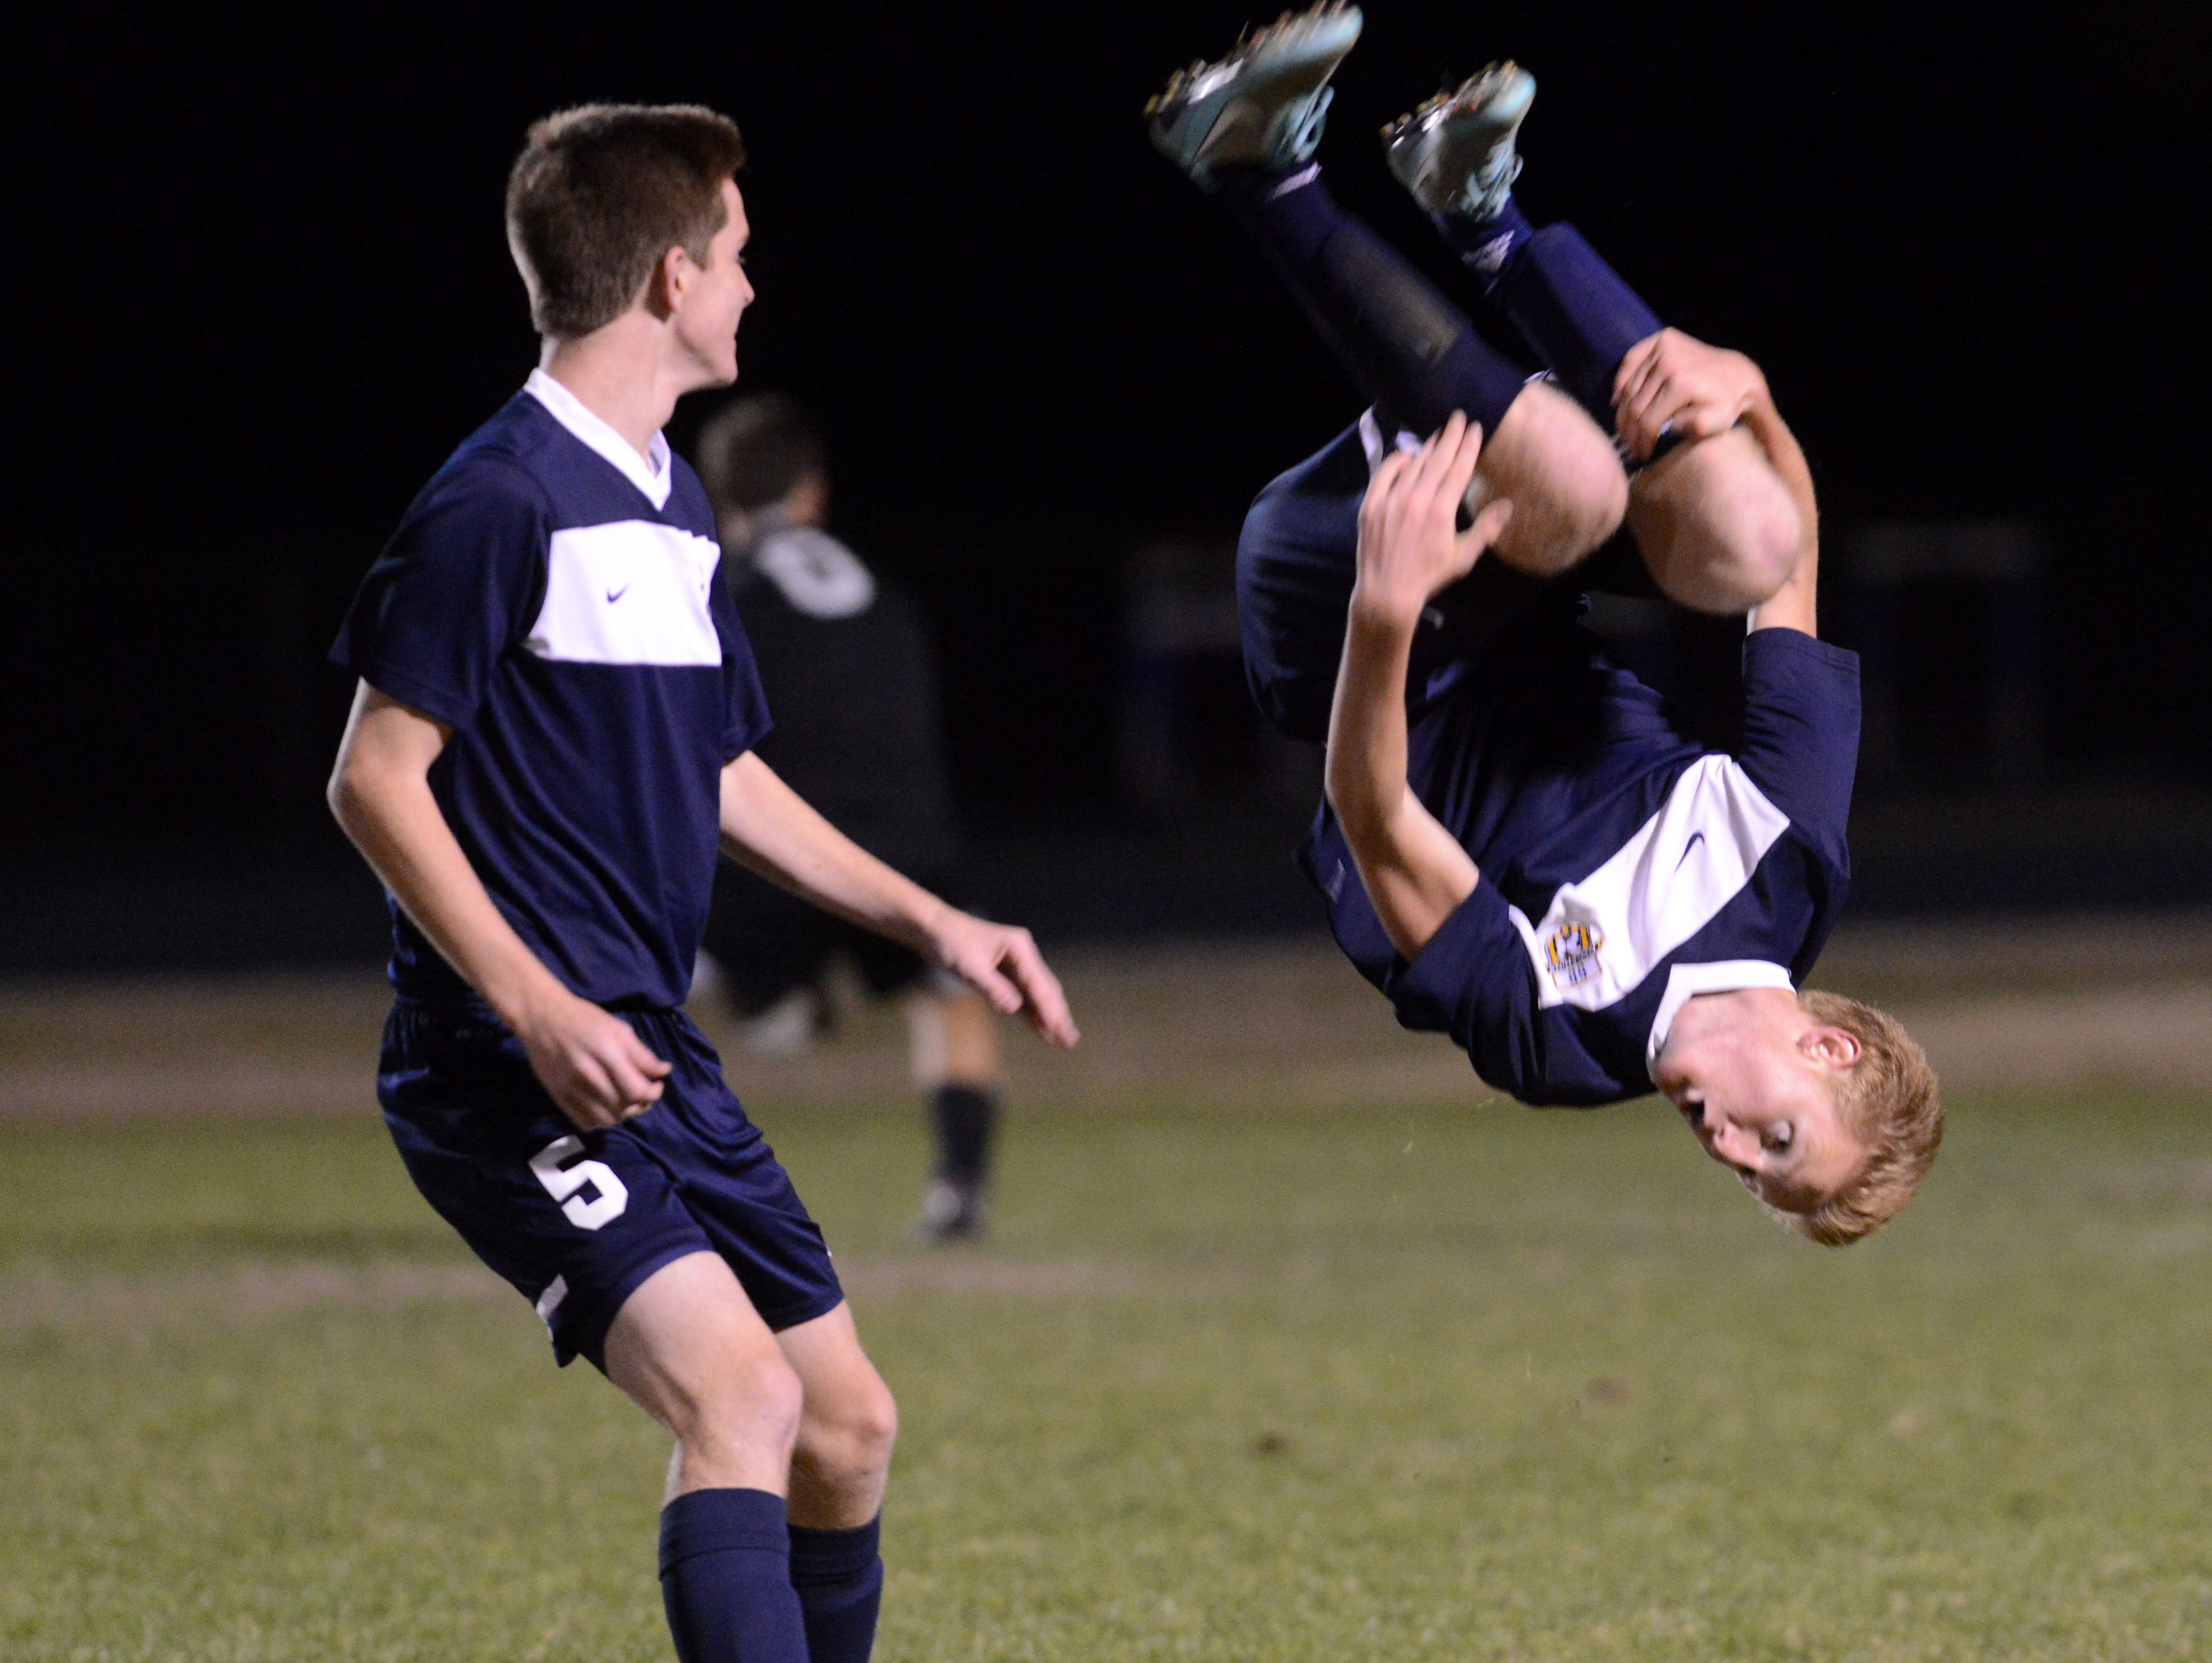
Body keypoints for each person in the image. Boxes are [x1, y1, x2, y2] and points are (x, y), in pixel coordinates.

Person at [325, 104, 1078, 1663]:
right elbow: (372, 777)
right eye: (736, 255)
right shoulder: (496, 501)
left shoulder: (669, 501)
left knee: (847, 1429)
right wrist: (531, 1009)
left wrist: (934, 917)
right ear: (670, 279)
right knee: (742, 1395)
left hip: (649, 1052)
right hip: (505, 1071)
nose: (751, 285)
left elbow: (724, 776)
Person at [1147, 8, 1940, 1244]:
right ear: (1825, 1044)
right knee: (1743, 524)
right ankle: (1479, 216)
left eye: (1748, 1173)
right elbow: (1791, 569)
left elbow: (1375, 814)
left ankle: (1258, 165)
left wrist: (1384, 610)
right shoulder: (1790, 858)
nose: (1726, 1147)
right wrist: (1754, 393)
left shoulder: (1566, 1044)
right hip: (1513, 563)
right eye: (1775, 1137)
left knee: (1573, 488)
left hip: (1352, 628)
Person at [690, 392, 1004, 1241]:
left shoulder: (715, 594)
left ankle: (773, 1012)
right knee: (950, 982)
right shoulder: (886, 596)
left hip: (775, 857)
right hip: (903, 850)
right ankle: (959, 1183)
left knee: (644, 982)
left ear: (720, 502)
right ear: (814, 493)